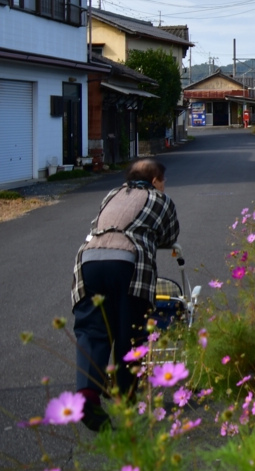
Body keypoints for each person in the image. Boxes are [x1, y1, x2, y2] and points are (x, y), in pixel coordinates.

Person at [71, 158, 180, 431]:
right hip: (128, 262)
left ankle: (87, 395)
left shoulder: (112, 194)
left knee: (92, 330)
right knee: (130, 332)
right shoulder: (159, 199)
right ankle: (128, 401)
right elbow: (169, 234)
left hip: (89, 259)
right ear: (155, 180)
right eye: (163, 182)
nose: (164, 186)